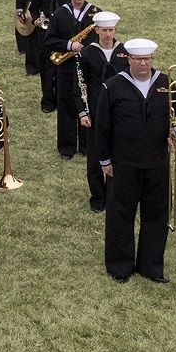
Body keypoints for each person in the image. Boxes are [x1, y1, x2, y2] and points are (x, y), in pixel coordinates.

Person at [92, 38, 175, 283]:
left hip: (157, 162)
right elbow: (103, 127)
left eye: (147, 59)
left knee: (156, 215)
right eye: (138, 59)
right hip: (124, 163)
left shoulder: (166, 84)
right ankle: (120, 265)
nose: (143, 63)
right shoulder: (113, 86)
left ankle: (152, 266)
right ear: (128, 59)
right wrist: (105, 161)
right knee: (120, 215)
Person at [78, 12, 129, 213]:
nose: (107, 34)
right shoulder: (87, 53)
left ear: (115, 30)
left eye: (111, 30)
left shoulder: (124, 52)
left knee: (118, 154)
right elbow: (80, 84)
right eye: (103, 30)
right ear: (96, 30)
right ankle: (98, 197)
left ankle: (115, 194)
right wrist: (83, 112)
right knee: (94, 156)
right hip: (95, 110)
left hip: (119, 112)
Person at [46, 0, 99, 159]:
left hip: (87, 68)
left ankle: (86, 145)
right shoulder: (59, 14)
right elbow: (49, 40)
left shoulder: (95, 14)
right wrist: (69, 46)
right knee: (66, 105)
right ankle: (66, 147)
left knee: (87, 104)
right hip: (66, 67)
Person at [29, 0, 68, 110]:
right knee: (46, 69)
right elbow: (33, 9)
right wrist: (36, 21)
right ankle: (47, 102)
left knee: (62, 69)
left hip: (63, 34)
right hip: (44, 35)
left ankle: (60, 100)